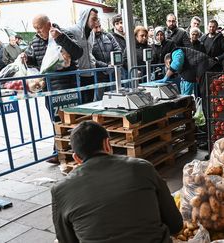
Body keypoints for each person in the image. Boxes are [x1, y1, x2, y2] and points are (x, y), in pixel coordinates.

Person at [51, 121, 183, 243]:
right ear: (107, 144)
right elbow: (176, 225)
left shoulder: (60, 190)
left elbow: (66, 240)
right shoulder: (142, 167)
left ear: (76, 158)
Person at [22, 14, 83, 164]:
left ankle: (78, 151)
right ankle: (59, 151)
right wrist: (27, 58)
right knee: (55, 120)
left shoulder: (64, 33)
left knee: (71, 120)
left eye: (39, 28)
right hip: (49, 87)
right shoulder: (36, 41)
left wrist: (60, 38)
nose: (37, 31)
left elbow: (78, 53)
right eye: (35, 28)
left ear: (48, 24)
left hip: (68, 86)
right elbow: (35, 61)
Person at [66, 8, 99, 104]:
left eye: (97, 19)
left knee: (90, 103)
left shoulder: (92, 33)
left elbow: (90, 52)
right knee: (80, 105)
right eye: (93, 19)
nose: (96, 22)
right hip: (78, 75)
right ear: (85, 18)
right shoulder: (71, 31)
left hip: (91, 73)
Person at [92, 22, 121, 99]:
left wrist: (112, 63)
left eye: (99, 26)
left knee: (115, 97)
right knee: (100, 100)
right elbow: (91, 58)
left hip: (113, 72)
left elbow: (118, 50)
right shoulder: (88, 40)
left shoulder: (108, 36)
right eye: (95, 27)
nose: (98, 29)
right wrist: (105, 66)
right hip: (98, 75)